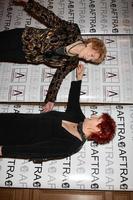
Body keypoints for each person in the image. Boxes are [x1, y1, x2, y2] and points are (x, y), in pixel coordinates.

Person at [0, 0, 107, 112]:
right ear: (91, 44)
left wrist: (50, 100)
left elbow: (58, 79)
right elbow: (49, 17)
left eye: (91, 60)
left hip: (25, 56)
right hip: (22, 37)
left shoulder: (72, 63)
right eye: (91, 55)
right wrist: (28, 2)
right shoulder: (73, 31)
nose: (88, 59)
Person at [0, 65, 116, 163]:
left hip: (11, 137)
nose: (95, 116)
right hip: (14, 120)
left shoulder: (71, 145)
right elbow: (73, 100)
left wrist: (3, 151)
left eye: (98, 119)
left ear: (98, 131)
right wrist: (79, 78)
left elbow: (36, 151)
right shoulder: (78, 117)